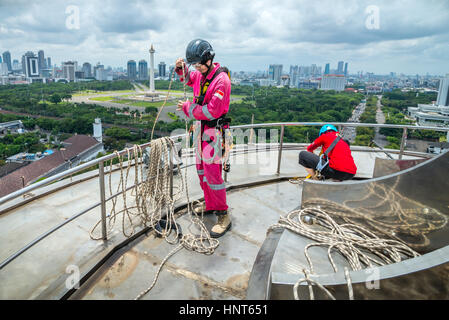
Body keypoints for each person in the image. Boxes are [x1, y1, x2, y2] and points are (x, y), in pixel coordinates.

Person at [175, 39, 232, 238]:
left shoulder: (221, 81)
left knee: (214, 175)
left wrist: (188, 108)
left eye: (198, 63)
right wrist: (182, 70)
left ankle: (223, 213)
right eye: (194, 64)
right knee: (201, 171)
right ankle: (210, 204)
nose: (196, 68)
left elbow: (211, 111)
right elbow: (190, 79)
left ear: (208, 58)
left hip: (213, 133)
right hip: (201, 131)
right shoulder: (202, 74)